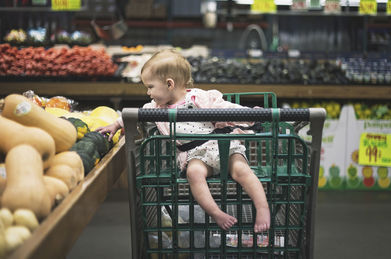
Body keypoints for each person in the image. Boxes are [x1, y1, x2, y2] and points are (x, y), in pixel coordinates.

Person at [96, 49, 270, 232]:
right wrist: (116, 124)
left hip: (222, 144)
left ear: (169, 84)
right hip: (196, 154)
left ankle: (262, 208)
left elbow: (226, 108)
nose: (148, 92)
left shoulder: (198, 98)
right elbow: (135, 115)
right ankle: (216, 213)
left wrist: (252, 115)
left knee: (242, 170)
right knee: (194, 174)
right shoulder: (156, 108)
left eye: (150, 86)